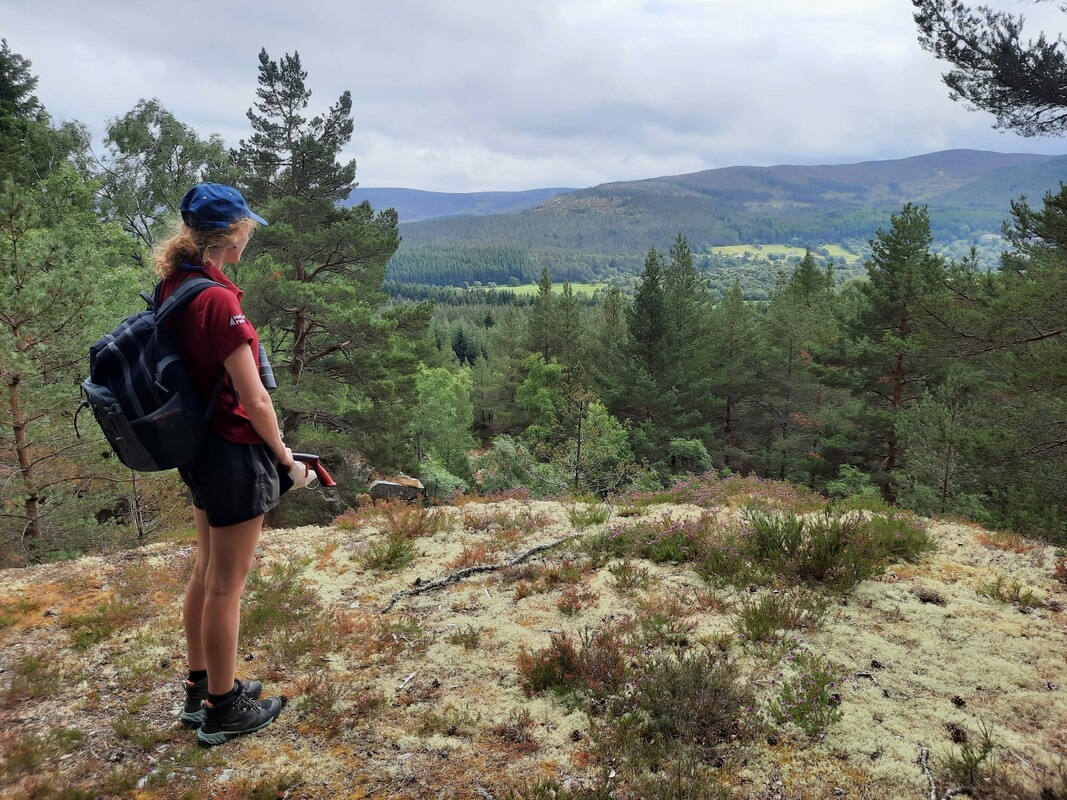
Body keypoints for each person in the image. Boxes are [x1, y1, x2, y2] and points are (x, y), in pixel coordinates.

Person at [155, 183, 305, 746]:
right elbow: (254, 398)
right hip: (232, 450)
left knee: (206, 568)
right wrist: (286, 459)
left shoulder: (177, 282)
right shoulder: (219, 300)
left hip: (198, 447)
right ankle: (223, 707)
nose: (250, 235)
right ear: (229, 234)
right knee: (227, 584)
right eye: (246, 227)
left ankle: (201, 687)